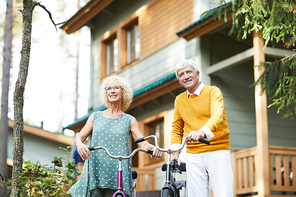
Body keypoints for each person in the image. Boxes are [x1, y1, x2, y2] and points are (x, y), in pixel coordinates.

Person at [68, 75, 162, 197]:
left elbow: (141, 142)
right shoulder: (95, 117)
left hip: (118, 170)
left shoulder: (130, 120)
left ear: (124, 92)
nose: (112, 90)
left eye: (116, 87)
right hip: (95, 169)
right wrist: (79, 144)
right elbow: (79, 137)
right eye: (109, 88)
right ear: (106, 93)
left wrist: (153, 148)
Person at [170, 59, 234, 197]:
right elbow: (176, 128)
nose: (185, 76)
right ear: (179, 80)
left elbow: (217, 116)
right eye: (181, 74)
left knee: (224, 194)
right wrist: (175, 152)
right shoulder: (179, 100)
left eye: (189, 72)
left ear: (198, 74)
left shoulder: (213, 91)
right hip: (193, 155)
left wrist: (201, 133)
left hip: (217, 150)